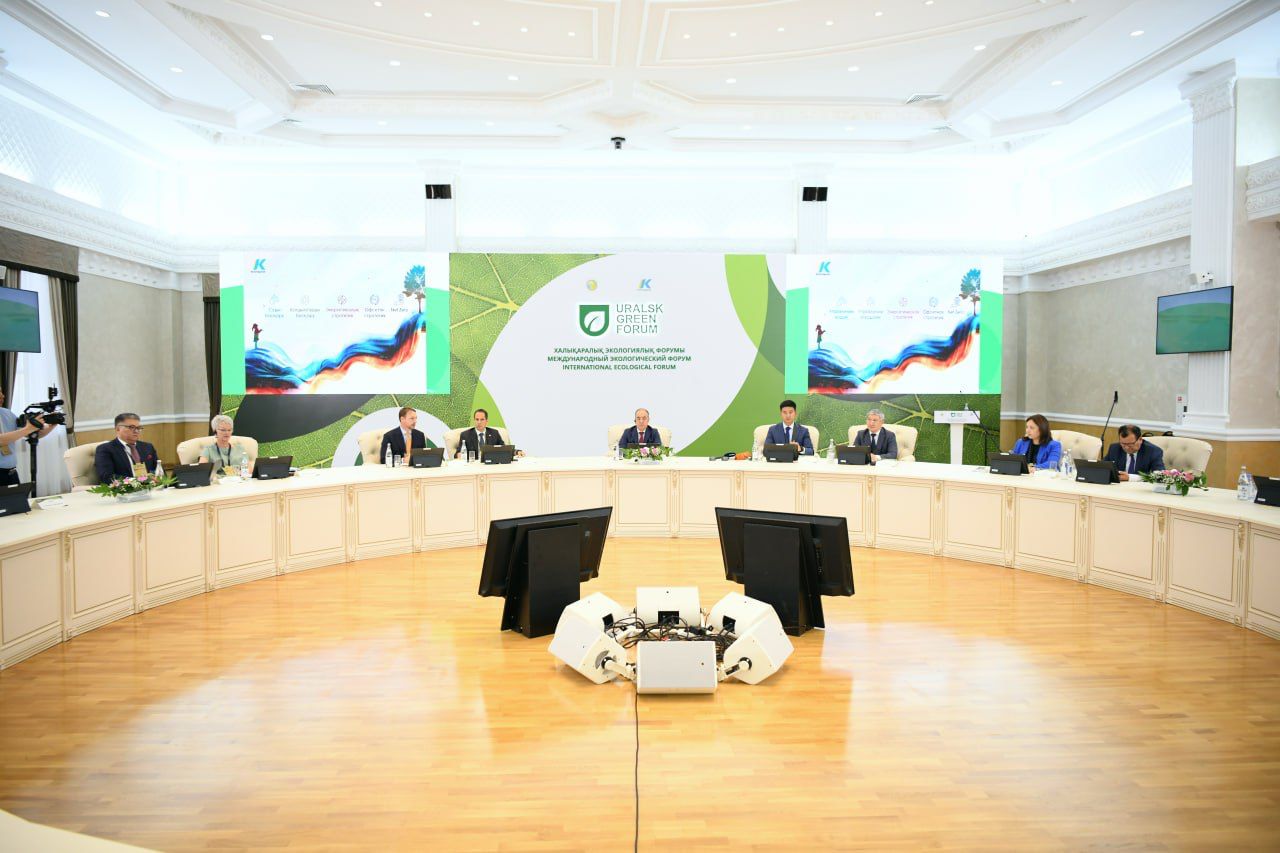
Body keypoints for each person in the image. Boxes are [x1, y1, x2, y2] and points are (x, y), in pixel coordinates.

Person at [0, 388, 55, 487]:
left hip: (11, 473)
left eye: (1, 392)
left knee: (19, 498)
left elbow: (32, 434)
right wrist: (28, 428)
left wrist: (53, 424)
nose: (2, 396)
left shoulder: (7, 413)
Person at [94, 412, 159, 483]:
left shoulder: (147, 447)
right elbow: (107, 476)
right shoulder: (105, 449)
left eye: (138, 428)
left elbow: (159, 470)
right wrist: (135, 481)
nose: (136, 431)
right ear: (118, 429)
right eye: (131, 427)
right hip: (126, 488)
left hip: (151, 487)